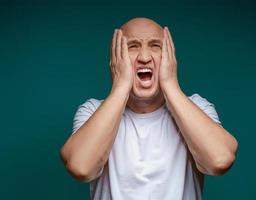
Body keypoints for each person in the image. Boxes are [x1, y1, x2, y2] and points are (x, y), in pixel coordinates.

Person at [60, 17, 238, 200]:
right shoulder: (92, 111)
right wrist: (121, 87)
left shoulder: (197, 107)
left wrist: (170, 84)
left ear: (170, 56)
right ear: (116, 58)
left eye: (155, 46)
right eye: (133, 46)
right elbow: (81, 167)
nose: (144, 58)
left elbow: (220, 160)